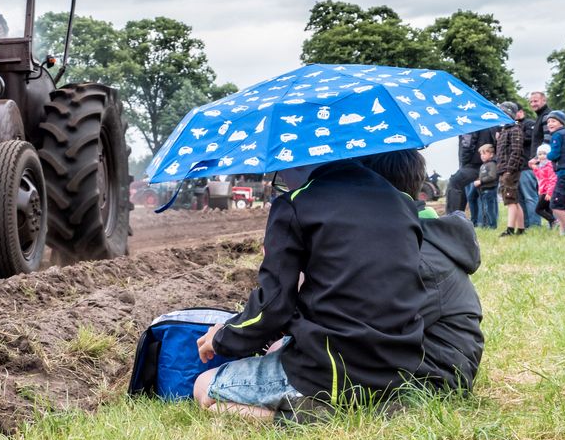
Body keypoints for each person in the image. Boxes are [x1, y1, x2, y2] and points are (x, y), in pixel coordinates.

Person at [193, 159, 425, 420]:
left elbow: (273, 306)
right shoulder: (402, 203)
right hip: (398, 371)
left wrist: (222, 337)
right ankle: (360, 405)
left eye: (281, 172)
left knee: (203, 386)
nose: (282, 181)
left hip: (331, 372)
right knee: (277, 348)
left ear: (298, 163)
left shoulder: (295, 203)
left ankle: (304, 418)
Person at [361, 149, 484, 392]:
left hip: (433, 378)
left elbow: (374, 327)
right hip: (417, 362)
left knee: (315, 389)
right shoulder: (411, 236)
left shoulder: (417, 254)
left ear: (376, 192)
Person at [446, 126, 497, 214]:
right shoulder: (491, 122)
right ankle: (481, 221)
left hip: (474, 163)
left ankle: (453, 216)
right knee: (480, 194)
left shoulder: (469, 123)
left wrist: (464, 163)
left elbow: (467, 144)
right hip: (490, 162)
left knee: (455, 182)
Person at [494, 102, 527, 237]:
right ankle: (520, 229)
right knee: (514, 199)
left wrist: (509, 170)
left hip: (509, 170)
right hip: (503, 169)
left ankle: (510, 229)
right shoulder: (505, 131)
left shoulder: (515, 130)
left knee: (510, 200)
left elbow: (516, 151)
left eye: (502, 113)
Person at [514, 106, 540, 228]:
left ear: (522, 112)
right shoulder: (513, 125)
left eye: (518, 112)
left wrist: (515, 136)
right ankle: (525, 224)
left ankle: (535, 224)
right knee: (520, 199)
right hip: (517, 167)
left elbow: (532, 138)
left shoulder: (529, 123)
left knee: (530, 197)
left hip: (527, 166)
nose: (516, 114)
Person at [529, 144, 557, 229]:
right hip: (543, 190)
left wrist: (549, 193)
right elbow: (541, 177)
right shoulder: (542, 165)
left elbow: (552, 180)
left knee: (538, 209)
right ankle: (552, 225)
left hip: (547, 191)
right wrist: (535, 168)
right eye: (540, 154)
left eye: (544, 154)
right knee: (548, 209)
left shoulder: (549, 165)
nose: (542, 156)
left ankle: (554, 221)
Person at [471, 143, 499, 229]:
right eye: (481, 154)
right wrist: (478, 180)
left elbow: (492, 176)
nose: (482, 156)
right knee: (484, 208)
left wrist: (481, 181)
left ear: (491, 154)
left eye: (484, 153)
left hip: (489, 190)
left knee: (489, 209)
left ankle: (492, 226)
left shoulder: (492, 164)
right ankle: (485, 225)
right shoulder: (483, 165)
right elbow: (481, 176)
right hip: (483, 190)